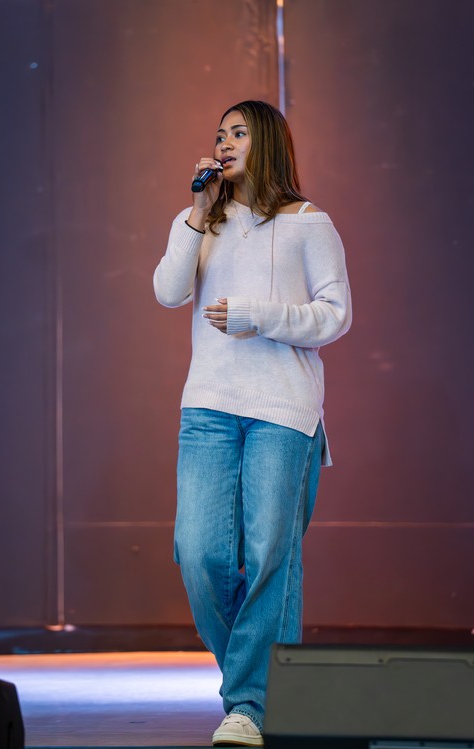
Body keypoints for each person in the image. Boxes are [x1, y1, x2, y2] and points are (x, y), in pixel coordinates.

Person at [153, 100, 351, 747]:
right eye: (219, 135)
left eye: (237, 133)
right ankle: (256, 684)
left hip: (282, 412)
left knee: (269, 557)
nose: (224, 143)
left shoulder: (308, 223)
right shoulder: (200, 223)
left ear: (266, 141)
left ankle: (249, 706)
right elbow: (167, 291)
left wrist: (256, 315)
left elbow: (335, 314)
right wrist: (196, 212)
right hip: (208, 407)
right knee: (200, 554)